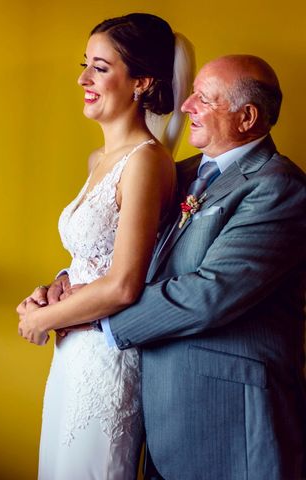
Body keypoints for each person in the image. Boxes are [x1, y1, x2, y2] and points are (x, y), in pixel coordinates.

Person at [41, 55, 306, 479]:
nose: (185, 107)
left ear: (247, 117)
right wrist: (66, 287)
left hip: (231, 419)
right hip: (161, 416)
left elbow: (210, 294)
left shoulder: (278, 188)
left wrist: (96, 317)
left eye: (203, 99)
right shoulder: (173, 172)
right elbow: (119, 251)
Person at [16, 13, 193, 479]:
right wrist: (55, 286)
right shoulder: (102, 159)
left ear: (142, 82)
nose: (83, 78)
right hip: (73, 355)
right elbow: (93, 256)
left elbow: (124, 284)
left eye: (100, 67)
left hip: (105, 359)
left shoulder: (146, 162)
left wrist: (41, 320)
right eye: (85, 65)